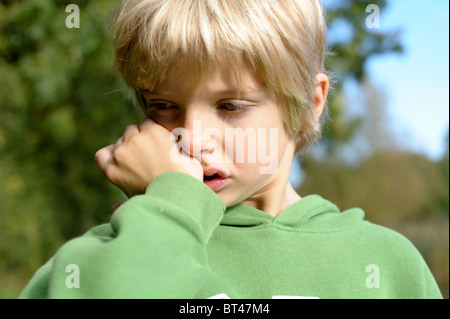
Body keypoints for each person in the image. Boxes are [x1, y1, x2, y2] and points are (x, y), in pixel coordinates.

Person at [20, 0, 442, 299]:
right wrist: (169, 211)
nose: (192, 137)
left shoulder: (388, 265)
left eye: (231, 106)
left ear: (308, 105)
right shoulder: (115, 252)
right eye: (164, 106)